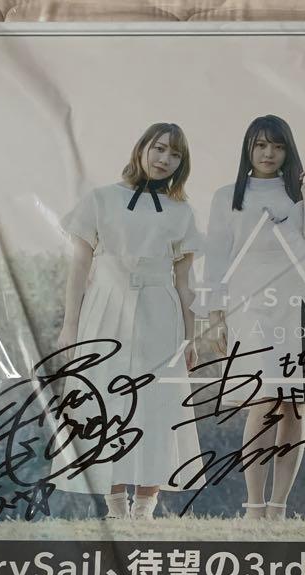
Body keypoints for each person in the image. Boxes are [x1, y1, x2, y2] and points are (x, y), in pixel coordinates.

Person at [56, 122, 202, 520]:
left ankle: (145, 507)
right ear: (141, 149)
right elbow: (79, 267)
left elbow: (185, 282)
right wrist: (70, 325)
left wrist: (191, 338)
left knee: (156, 403)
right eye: (159, 148)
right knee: (105, 397)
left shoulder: (181, 212)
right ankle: (116, 506)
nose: (164, 159)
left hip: (160, 311)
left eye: (175, 154)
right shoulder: (101, 199)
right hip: (105, 307)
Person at [198, 115, 305, 521]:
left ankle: (279, 506)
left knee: (294, 405)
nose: (268, 153)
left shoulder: (299, 193)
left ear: (288, 150)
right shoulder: (228, 196)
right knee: (264, 399)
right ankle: (254, 505)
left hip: (299, 305)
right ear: (248, 149)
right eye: (260, 145)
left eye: (277, 145)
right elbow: (216, 257)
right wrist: (214, 313)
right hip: (250, 307)